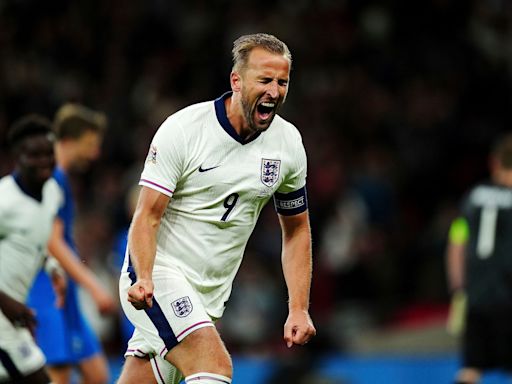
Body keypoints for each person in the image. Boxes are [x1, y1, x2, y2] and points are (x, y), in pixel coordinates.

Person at [117, 33, 316, 384]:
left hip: (208, 296)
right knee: (214, 367)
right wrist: (145, 276)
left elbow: (296, 229)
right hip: (156, 278)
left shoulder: (288, 144)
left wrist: (298, 307)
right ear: (236, 81)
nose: (274, 91)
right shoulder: (185, 130)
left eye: (282, 82)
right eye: (265, 80)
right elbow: (147, 214)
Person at [27, 104, 116, 384]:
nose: (95, 153)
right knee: (59, 375)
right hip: (47, 290)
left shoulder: (61, 179)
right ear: (68, 141)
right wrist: (94, 286)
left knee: (97, 374)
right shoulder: (50, 178)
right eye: (90, 144)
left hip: (67, 293)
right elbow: (52, 242)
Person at [0, 115, 65, 383]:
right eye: (34, 155)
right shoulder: (4, 201)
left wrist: (52, 268)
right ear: (18, 156)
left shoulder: (52, 192)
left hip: (14, 315)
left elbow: (34, 242)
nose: (44, 162)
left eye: (48, 154)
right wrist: (7, 303)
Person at [446, 133, 512, 384]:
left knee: (471, 368)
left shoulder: (472, 198)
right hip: (508, 297)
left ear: (494, 162)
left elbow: (456, 241)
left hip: (477, 299)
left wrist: (458, 288)